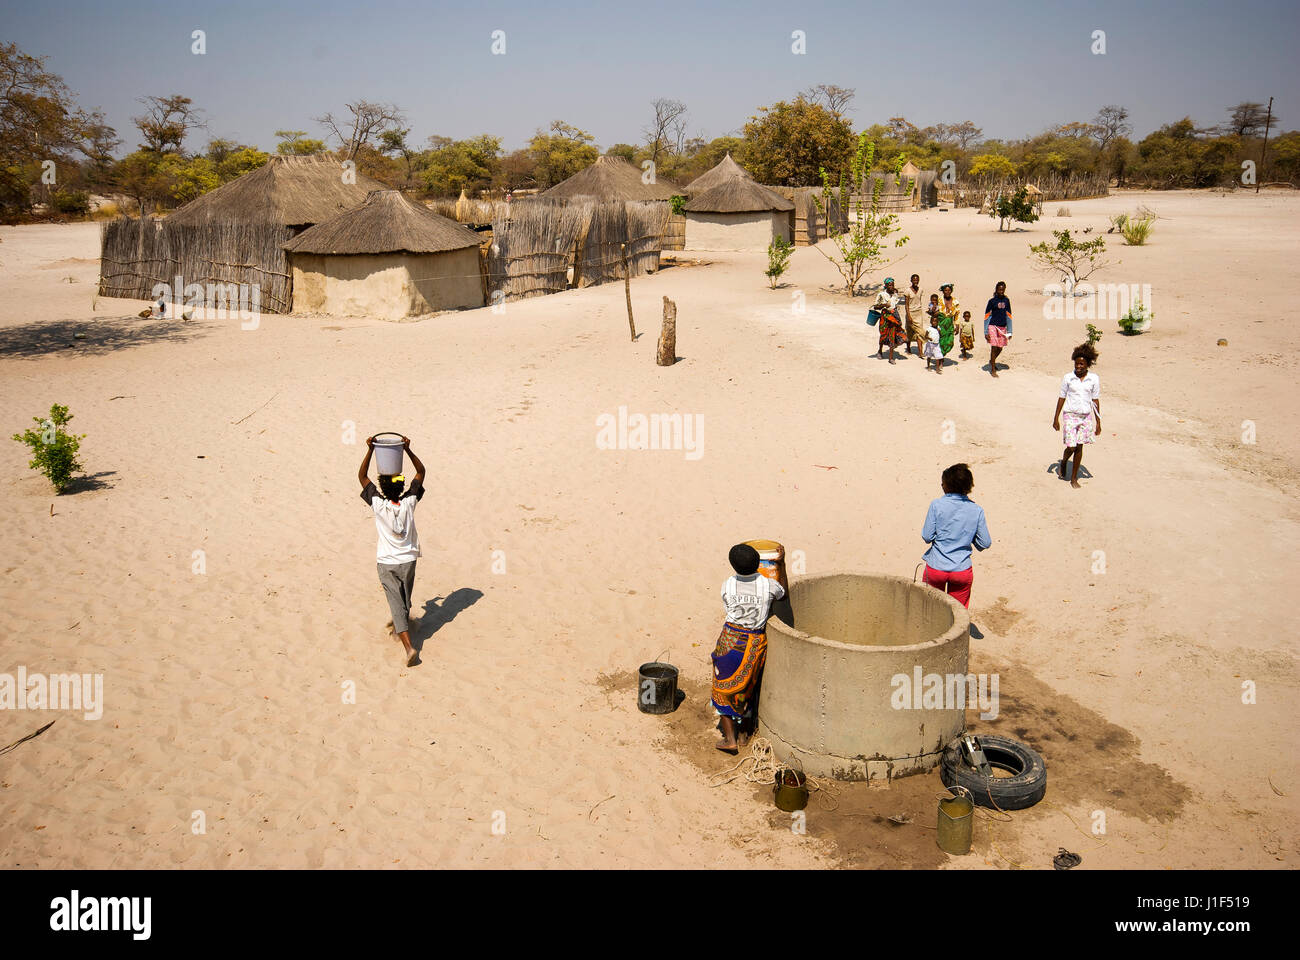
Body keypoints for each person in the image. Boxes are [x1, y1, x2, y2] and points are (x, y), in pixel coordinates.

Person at [357, 436, 427, 666]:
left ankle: (409, 649)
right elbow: (421, 472)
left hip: (387, 562)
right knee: (404, 601)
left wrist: (369, 450)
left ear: (383, 488)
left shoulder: (378, 503)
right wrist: (407, 449)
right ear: (402, 486)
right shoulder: (409, 502)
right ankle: (401, 626)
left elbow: (362, 477)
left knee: (397, 604)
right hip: (408, 560)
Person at [712, 543, 785, 754]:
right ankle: (744, 733)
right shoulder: (769, 585)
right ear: (758, 564)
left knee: (721, 690)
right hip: (753, 643)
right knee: (748, 687)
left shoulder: (728, 585)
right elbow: (783, 594)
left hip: (730, 640)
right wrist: (781, 564)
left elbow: (728, 608)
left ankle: (730, 739)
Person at [921, 463, 991, 609]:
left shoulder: (937, 505)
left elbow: (927, 536)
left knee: (929, 608)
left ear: (946, 486)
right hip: (962, 570)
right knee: (957, 614)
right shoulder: (976, 510)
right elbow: (985, 543)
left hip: (936, 567)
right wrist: (969, 539)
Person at [1053, 343, 1101, 489]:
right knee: (1072, 447)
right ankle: (1064, 461)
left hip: (1085, 416)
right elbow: (1061, 397)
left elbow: (1095, 400)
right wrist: (1056, 418)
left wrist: (1099, 422)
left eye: (1081, 364)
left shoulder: (1093, 379)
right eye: (1076, 363)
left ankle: (1074, 478)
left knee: (1080, 447)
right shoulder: (1068, 378)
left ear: (1088, 364)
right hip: (1070, 415)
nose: (1078, 366)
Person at [874, 277, 906, 365]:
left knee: (892, 335)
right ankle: (880, 351)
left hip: (894, 317)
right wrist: (884, 305)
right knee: (883, 334)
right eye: (890, 285)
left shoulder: (895, 294)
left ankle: (891, 358)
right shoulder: (881, 295)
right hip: (885, 317)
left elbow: (895, 304)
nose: (891, 287)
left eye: (892, 285)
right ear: (886, 286)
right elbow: (875, 306)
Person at [984, 281, 1013, 378]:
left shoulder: (1006, 301)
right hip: (993, 326)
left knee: (1000, 347)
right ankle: (993, 369)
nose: (1001, 291)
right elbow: (987, 316)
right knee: (994, 347)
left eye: (1003, 289)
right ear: (996, 289)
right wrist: (986, 331)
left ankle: (992, 361)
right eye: (999, 289)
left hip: (1002, 327)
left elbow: (1009, 316)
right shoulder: (992, 301)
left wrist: (1010, 331)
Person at [903, 274, 928, 357]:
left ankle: (920, 352)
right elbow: (906, 305)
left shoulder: (921, 290)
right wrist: (908, 316)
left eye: (917, 280)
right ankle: (908, 348)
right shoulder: (907, 291)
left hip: (918, 313)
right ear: (911, 280)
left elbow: (919, 300)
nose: (915, 282)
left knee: (919, 332)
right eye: (914, 280)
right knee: (909, 331)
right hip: (910, 313)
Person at [935, 283, 959, 361]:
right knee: (940, 341)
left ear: (951, 291)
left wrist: (957, 326)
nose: (947, 292)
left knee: (949, 341)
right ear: (943, 291)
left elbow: (957, 314)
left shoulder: (955, 301)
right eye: (945, 290)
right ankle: (940, 358)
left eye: (949, 290)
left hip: (949, 324)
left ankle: (942, 354)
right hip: (940, 323)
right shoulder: (939, 300)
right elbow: (934, 313)